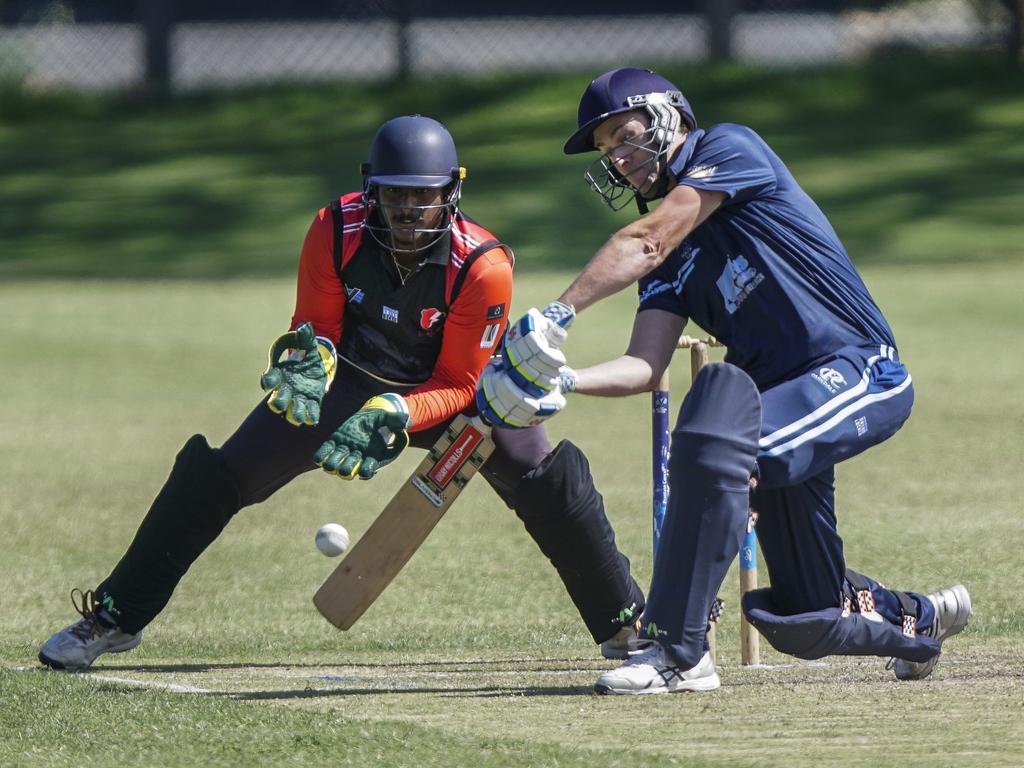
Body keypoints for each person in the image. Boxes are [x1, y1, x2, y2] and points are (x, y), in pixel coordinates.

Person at [38, 114, 645, 671]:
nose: (408, 209)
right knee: (219, 474)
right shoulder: (335, 229)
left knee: (543, 475)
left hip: (459, 399)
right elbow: (320, 327)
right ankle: (114, 618)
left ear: (450, 192)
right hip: (349, 381)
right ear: (372, 188)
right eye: (395, 192)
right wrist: (310, 361)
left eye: (423, 194)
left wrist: (399, 411)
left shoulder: (482, 264)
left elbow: (460, 381)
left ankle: (626, 628)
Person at [479, 68, 972, 695]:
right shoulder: (673, 260)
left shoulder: (727, 148)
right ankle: (918, 620)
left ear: (667, 117)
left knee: (716, 447)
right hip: (775, 403)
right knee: (804, 617)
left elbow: (647, 241)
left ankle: (679, 653)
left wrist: (558, 313)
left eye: (626, 139)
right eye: (608, 153)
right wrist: (566, 380)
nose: (621, 162)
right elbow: (645, 366)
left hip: (857, 369)